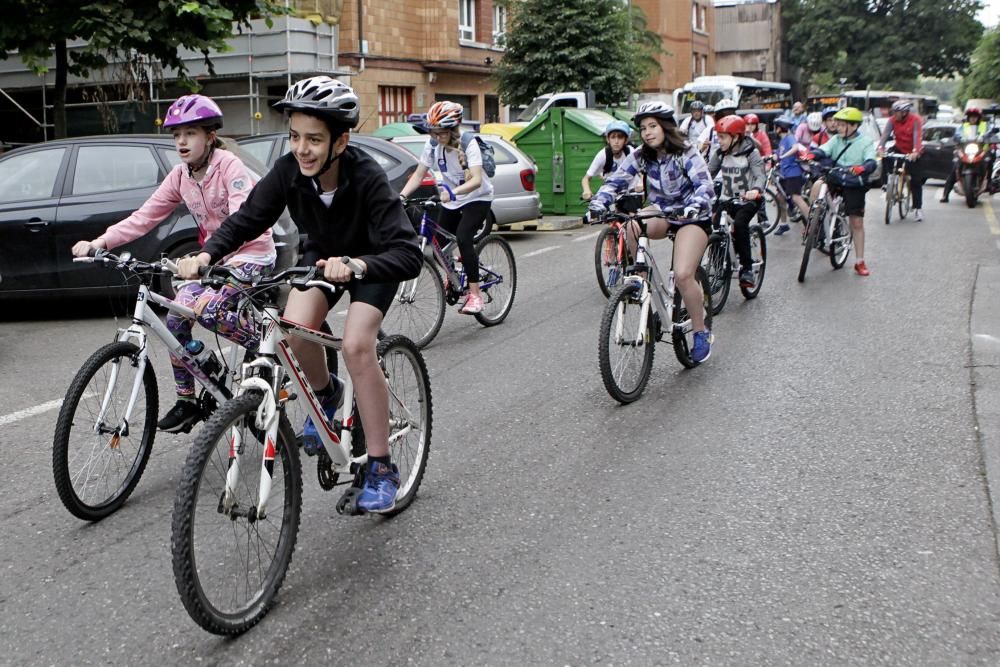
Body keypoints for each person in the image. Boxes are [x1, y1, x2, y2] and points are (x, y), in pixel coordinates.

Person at [178, 77, 422, 513]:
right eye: (295, 137)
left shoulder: (366, 177)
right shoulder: (289, 170)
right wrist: (207, 253)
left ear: (340, 141)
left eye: (314, 139)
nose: (302, 148)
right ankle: (327, 396)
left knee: (356, 344)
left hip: (373, 263)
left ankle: (382, 467)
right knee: (292, 332)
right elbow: (250, 218)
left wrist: (359, 265)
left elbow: (406, 254)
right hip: (321, 258)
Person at [71, 94, 275, 435]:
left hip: (251, 253)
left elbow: (244, 218)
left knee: (209, 310)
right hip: (210, 260)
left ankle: (266, 347)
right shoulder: (180, 176)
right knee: (176, 318)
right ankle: (188, 400)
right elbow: (144, 216)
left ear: (210, 136)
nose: (181, 141)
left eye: (190, 133)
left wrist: (206, 255)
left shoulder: (229, 166)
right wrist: (100, 242)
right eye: (177, 134)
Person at [588, 101, 716, 363]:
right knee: (632, 223)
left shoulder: (686, 152)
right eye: (643, 127)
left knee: (682, 274)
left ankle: (701, 331)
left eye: (653, 126)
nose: (647, 132)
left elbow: (705, 185)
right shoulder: (640, 156)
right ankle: (641, 277)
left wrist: (694, 207)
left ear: (665, 127)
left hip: (692, 217)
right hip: (662, 211)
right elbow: (616, 181)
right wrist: (598, 204)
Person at [399, 101, 494, 314]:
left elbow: (477, 180)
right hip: (451, 200)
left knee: (463, 238)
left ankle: (475, 295)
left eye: (440, 133)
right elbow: (418, 174)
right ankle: (452, 277)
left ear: (452, 130)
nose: (436, 137)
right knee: (439, 246)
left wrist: (453, 192)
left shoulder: (469, 143)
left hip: (477, 198)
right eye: (433, 132)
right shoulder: (432, 145)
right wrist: (402, 196)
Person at [808, 107, 878, 276]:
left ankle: (859, 261)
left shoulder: (866, 142)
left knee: (856, 222)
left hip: (855, 182)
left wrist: (862, 168)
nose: (836, 127)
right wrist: (811, 155)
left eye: (841, 125)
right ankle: (814, 219)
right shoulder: (836, 140)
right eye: (836, 124)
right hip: (837, 177)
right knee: (818, 185)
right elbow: (823, 150)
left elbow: (871, 161)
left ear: (853, 126)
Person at [707, 115, 766, 289]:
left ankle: (746, 269)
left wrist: (756, 190)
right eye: (718, 136)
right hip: (727, 199)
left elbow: (759, 175)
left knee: (740, 225)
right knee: (715, 226)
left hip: (747, 200)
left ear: (736, 136)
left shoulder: (751, 153)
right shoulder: (720, 154)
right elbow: (707, 173)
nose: (719, 141)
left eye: (723, 137)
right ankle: (719, 270)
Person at [877, 99, 924, 219]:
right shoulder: (892, 120)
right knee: (885, 157)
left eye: (896, 112)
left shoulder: (915, 120)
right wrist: (880, 148)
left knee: (916, 181)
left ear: (904, 112)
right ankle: (885, 184)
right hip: (899, 148)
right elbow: (885, 135)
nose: (894, 114)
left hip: (912, 150)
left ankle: (918, 208)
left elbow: (917, 137)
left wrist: (915, 152)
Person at [580, 120, 641, 201]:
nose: (616, 141)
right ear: (608, 139)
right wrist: (587, 191)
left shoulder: (631, 152)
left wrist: (641, 184)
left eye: (620, 137)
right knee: (596, 211)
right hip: (611, 193)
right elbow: (586, 178)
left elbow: (642, 172)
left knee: (632, 213)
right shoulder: (603, 155)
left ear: (626, 140)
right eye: (613, 137)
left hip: (631, 194)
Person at [940, 107, 990, 203]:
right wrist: (958, 138)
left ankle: (990, 184)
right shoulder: (963, 126)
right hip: (966, 151)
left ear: (979, 118)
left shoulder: (985, 125)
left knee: (989, 161)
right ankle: (945, 195)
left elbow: (990, 133)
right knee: (955, 168)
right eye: (971, 117)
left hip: (981, 150)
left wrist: (986, 136)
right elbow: (957, 134)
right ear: (968, 118)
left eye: (975, 117)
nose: (973, 118)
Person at [772, 117, 811, 236]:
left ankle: (813, 223)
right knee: (780, 197)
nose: (774, 130)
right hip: (784, 173)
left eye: (775, 127)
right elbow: (777, 155)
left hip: (793, 173)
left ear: (779, 128)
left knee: (796, 198)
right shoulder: (782, 141)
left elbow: (795, 148)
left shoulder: (790, 138)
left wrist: (783, 156)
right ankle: (783, 224)